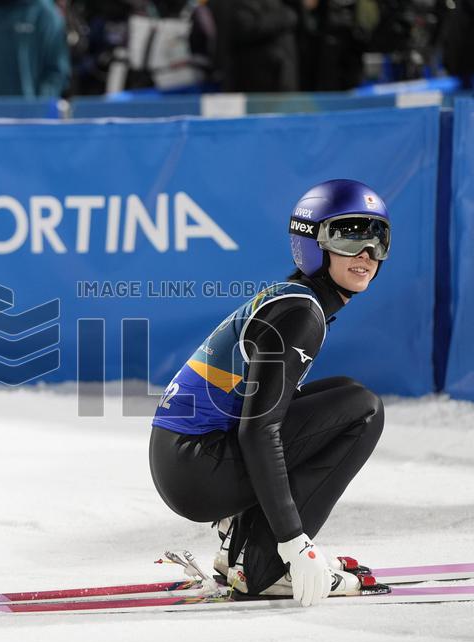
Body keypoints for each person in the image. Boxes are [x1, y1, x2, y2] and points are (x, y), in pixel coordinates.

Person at [149, 179, 390, 607]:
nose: (366, 255)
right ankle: (264, 568)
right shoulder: (300, 314)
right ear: (313, 245)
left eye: (376, 239)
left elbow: (257, 418)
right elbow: (259, 431)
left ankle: (239, 553)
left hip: (187, 458)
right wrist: (295, 545)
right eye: (349, 238)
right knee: (363, 410)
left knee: (345, 393)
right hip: (195, 468)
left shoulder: (294, 300)